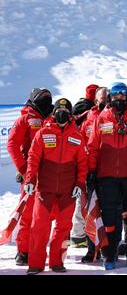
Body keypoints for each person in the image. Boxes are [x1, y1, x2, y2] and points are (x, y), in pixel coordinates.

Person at [87, 82, 127, 270]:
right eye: (115, 97)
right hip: (107, 177)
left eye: (122, 96)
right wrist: (91, 172)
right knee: (110, 218)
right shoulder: (102, 118)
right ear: (110, 98)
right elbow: (92, 148)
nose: (119, 100)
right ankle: (110, 255)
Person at [25, 99, 88, 274]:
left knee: (63, 229)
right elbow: (33, 158)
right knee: (39, 227)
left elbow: (83, 163)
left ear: (70, 115)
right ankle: (36, 264)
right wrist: (30, 180)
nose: (62, 114)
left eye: (66, 111)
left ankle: (57, 261)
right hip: (45, 189)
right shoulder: (43, 133)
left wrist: (80, 184)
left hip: (68, 191)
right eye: (59, 110)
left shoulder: (77, 136)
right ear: (53, 113)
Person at [7, 88, 53, 266]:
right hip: (31, 177)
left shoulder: (52, 118)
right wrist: (24, 169)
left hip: (50, 175)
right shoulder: (25, 118)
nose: (46, 102)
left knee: (46, 216)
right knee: (27, 214)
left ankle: (38, 249)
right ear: (34, 100)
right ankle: (23, 251)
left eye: (48, 99)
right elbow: (12, 144)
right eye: (42, 99)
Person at [79, 86, 108, 263]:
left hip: (110, 172)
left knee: (110, 213)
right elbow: (80, 146)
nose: (103, 101)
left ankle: (107, 248)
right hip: (90, 173)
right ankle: (91, 249)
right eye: (101, 98)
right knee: (90, 212)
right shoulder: (87, 118)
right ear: (95, 100)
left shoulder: (116, 116)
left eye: (106, 97)